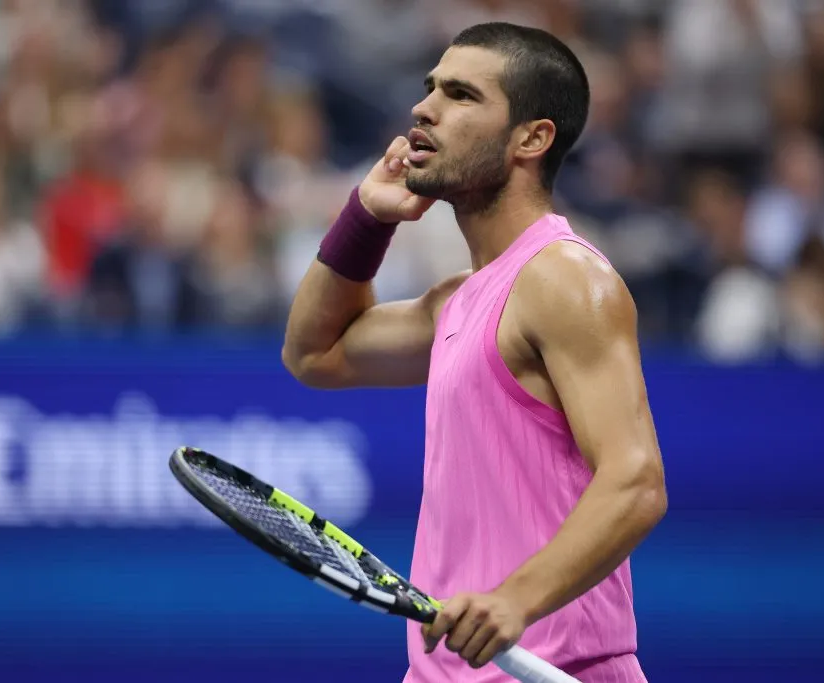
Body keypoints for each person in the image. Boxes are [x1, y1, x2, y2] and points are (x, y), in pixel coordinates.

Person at [282, 22, 667, 683]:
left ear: (532, 137)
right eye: (429, 87)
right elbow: (315, 353)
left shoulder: (566, 279)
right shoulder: (459, 301)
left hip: (553, 666)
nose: (423, 108)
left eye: (461, 95)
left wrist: (515, 598)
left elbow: (636, 483)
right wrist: (366, 219)